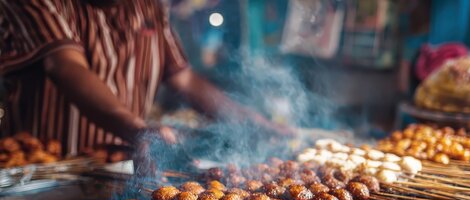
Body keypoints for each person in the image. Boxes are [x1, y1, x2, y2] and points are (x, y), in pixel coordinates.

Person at [0, 0, 292, 157]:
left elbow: (185, 80)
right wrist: (137, 129)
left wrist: (249, 122)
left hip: (120, 168)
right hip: (40, 177)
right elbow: (65, 66)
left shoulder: (149, 7)